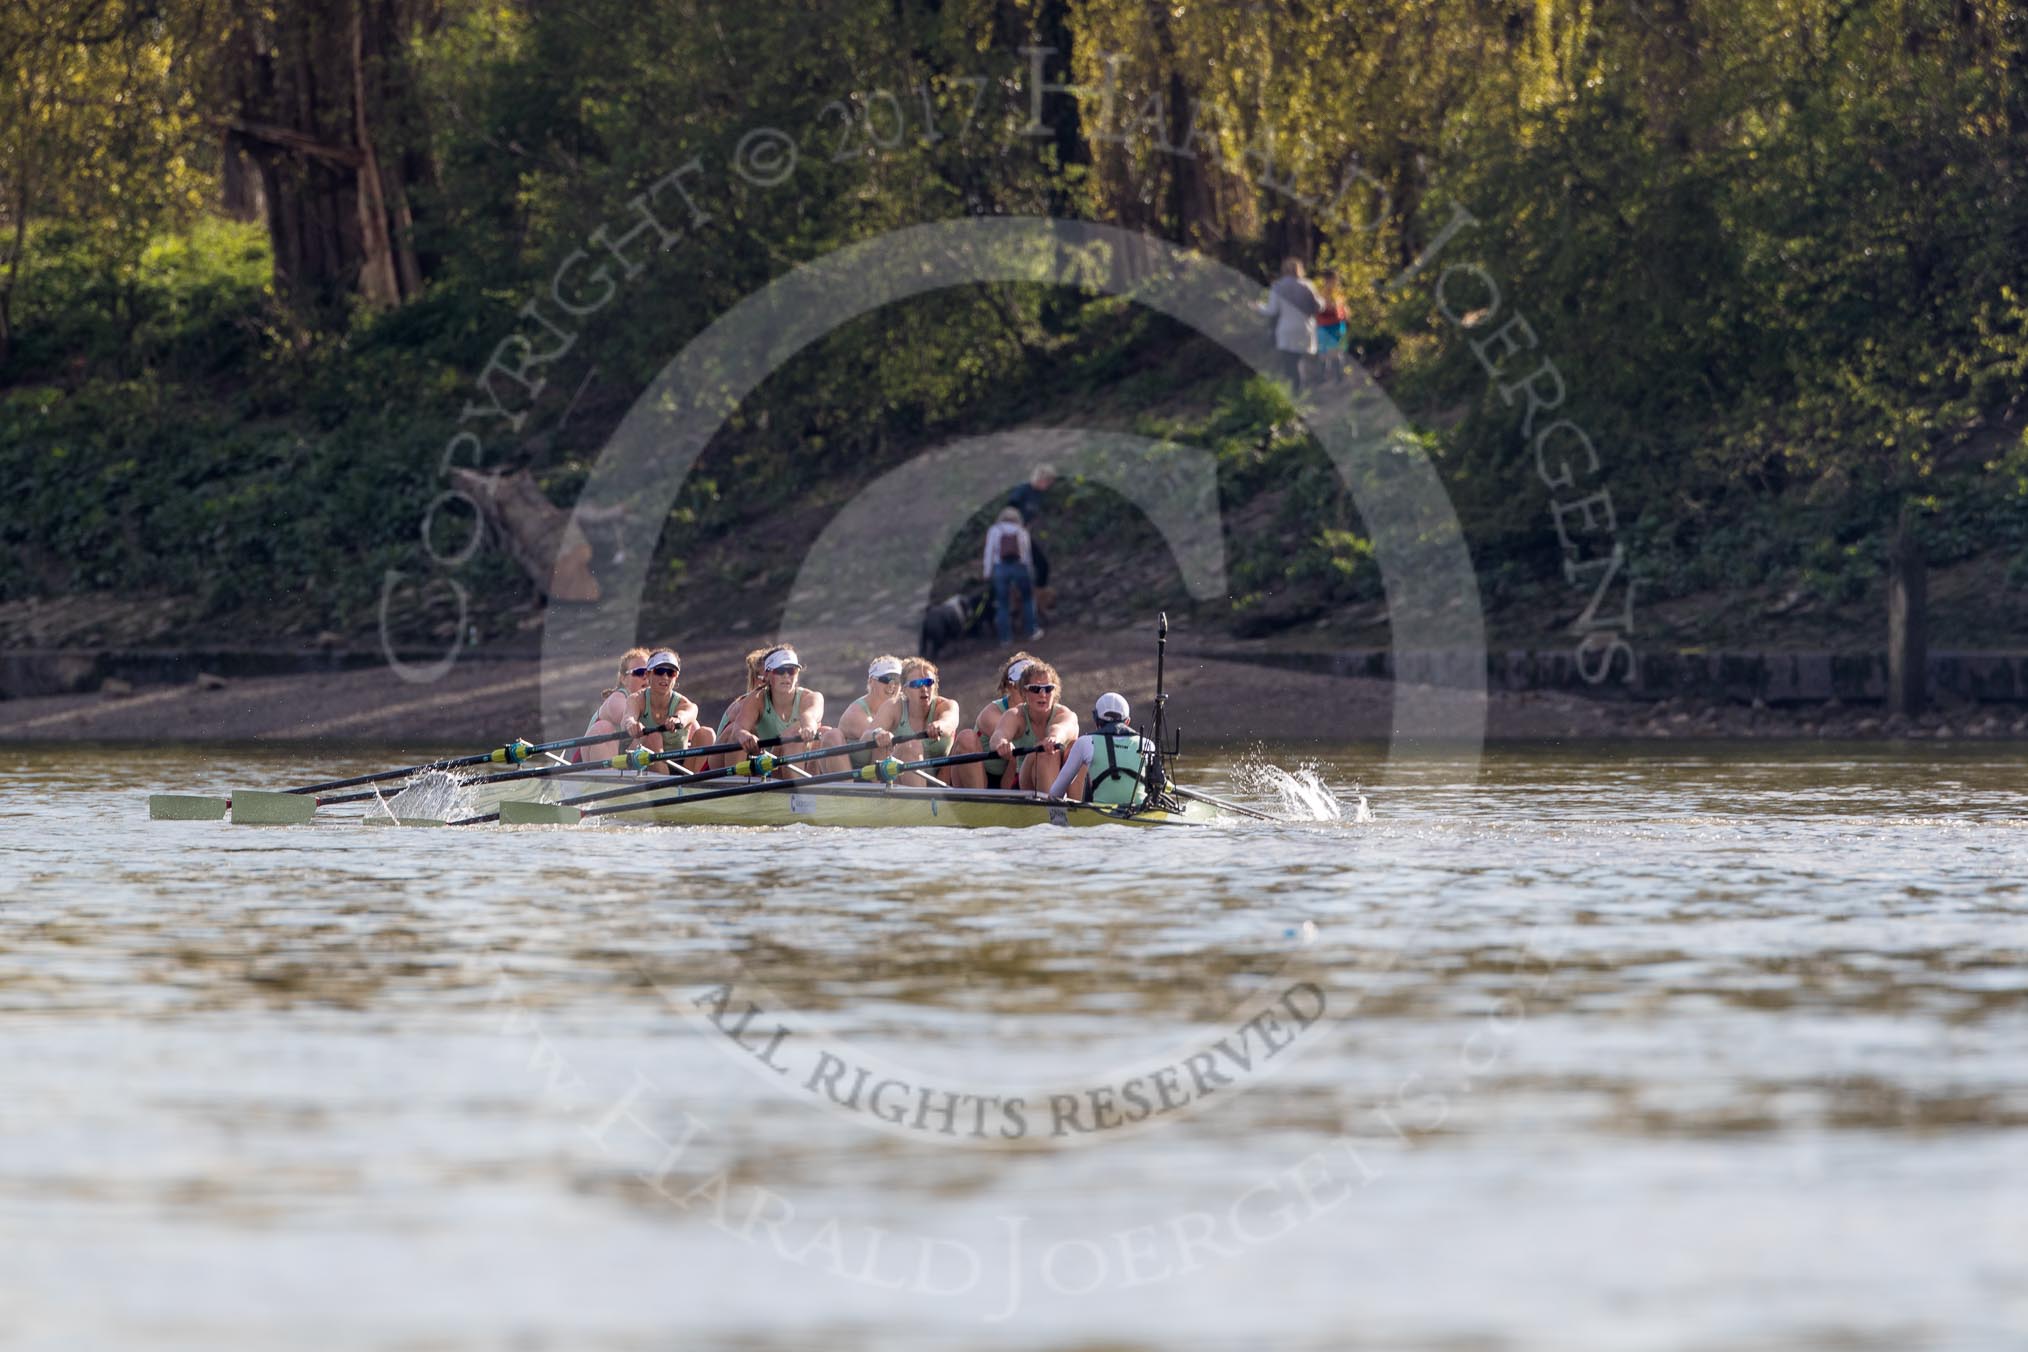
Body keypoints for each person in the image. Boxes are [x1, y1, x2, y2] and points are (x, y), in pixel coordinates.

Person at [726, 644, 845, 777]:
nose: (786, 676)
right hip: (769, 766)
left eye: (791, 670)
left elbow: (809, 716)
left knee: (830, 733)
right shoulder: (756, 699)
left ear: (797, 674)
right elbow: (739, 728)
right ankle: (735, 783)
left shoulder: (812, 697)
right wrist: (745, 736)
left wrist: (808, 727)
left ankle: (847, 793)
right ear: (768, 674)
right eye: (780, 671)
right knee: (790, 737)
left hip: (803, 763)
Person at [870, 658, 984, 787]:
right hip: (903, 780)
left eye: (928, 682)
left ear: (935, 686)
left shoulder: (946, 705)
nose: (924, 688)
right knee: (911, 746)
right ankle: (920, 804)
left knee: (968, 737)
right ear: (905, 690)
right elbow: (866, 734)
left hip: (944, 778)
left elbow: (950, 722)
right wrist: (878, 733)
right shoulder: (894, 706)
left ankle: (982, 802)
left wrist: (939, 725)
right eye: (917, 684)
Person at [1048, 691, 1155, 808]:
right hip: (1140, 814)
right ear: (1127, 721)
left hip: (1098, 816)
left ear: (1096, 720)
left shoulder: (1085, 742)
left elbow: (1056, 792)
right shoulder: (1148, 744)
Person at [987, 658, 1077, 792]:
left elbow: (1061, 729)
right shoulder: (1015, 715)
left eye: (1048, 689)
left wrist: (1054, 738)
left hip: (1061, 781)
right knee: (1043, 752)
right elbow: (998, 735)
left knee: (1077, 746)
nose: (1043, 694)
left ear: (1055, 691)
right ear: (1024, 693)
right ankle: (1052, 808)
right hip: (1024, 782)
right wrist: (1002, 744)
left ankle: (1075, 808)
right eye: (1035, 689)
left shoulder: (1065, 714)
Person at [624, 648, 713, 773]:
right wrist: (631, 724)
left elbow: (687, 714)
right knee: (653, 736)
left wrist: (678, 719)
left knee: (706, 733)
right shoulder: (637, 699)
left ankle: (690, 784)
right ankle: (667, 786)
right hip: (645, 766)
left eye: (670, 672)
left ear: (676, 677)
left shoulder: (685, 704)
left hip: (681, 767)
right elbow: (628, 717)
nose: (665, 677)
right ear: (648, 674)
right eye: (659, 671)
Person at [1256, 256, 1322, 392]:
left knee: (1290, 363)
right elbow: (1318, 306)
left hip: (1287, 330)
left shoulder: (1278, 287)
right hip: (1305, 328)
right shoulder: (1308, 285)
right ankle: (1304, 388)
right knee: (1301, 360)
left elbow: (1271, 310)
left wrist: (1258, 307)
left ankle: (1296, 392)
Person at [971, 651, 1035, 787]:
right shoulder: (991, 713)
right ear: (1009, 687)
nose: (1026, 693)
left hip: (1018, 773)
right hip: (985, 777)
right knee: (966, 737)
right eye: (1021, 686)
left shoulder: (1041, 709)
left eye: (1032, 687)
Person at [576, 647, 651, 763]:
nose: (645, 677)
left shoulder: (656, 703)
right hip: (584, 768)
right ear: (623, 679)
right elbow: (626, 719)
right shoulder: (617, 698)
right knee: (604, 727)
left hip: (623, 764)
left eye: (649, 672)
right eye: (639, 672)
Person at [983, 506, 1042, 643]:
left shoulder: (994, 530)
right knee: (1027, 599)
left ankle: (1005, 638)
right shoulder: (1021, 530)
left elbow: (989, 552)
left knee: (1002, 603)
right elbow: (1027, 553)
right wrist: (1030, 569)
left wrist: (987, 572)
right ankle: (1032, 631)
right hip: (1019, 567)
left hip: (1000, 568)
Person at [837, 655, 904, 768]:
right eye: (886, 679)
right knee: (883, 742)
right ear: (871, 681)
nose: (892, 685)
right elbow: (883, 739)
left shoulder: (904, 704)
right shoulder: (856, 713)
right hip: (861, 781)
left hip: (889, 774)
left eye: (897, 680)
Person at [1007, 463, 1057, 591]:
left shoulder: (1038, 494)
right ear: (1041, 478)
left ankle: (1039, 595)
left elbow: (1031, 514)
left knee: (1042, 565)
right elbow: (1011, 508)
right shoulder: (1023, 489)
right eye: (1048, 482)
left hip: (1024, 534)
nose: (1048, 486)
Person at [1314, 269, 1348, 378]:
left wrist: (1345, 320)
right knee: (1323, 351)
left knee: (1335, 350)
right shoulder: (1319, 293)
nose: (1329, 283)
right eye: (1326, 280)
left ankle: (1338, 375)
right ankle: (1323, 375)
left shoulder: (1338, 294)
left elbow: (1342, 311)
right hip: (1322, 325)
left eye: (1332, 280)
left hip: (1336, 325)